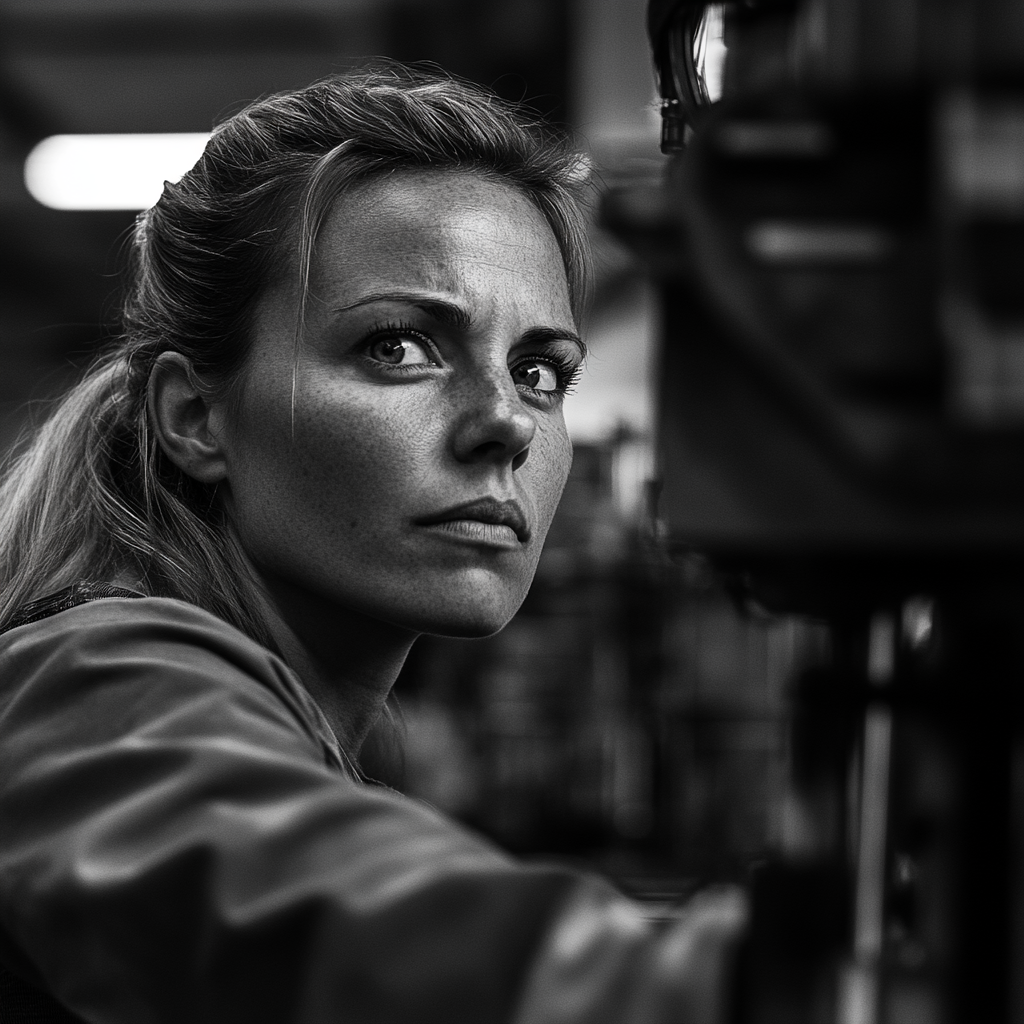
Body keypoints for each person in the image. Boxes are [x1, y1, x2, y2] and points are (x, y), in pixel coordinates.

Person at [0, 64, 744, 1023]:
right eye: (399, 346)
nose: (506, 424)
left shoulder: (305, 723)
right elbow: (386, 957)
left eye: (540, 371)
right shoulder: (91, 689)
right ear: (195, 417)